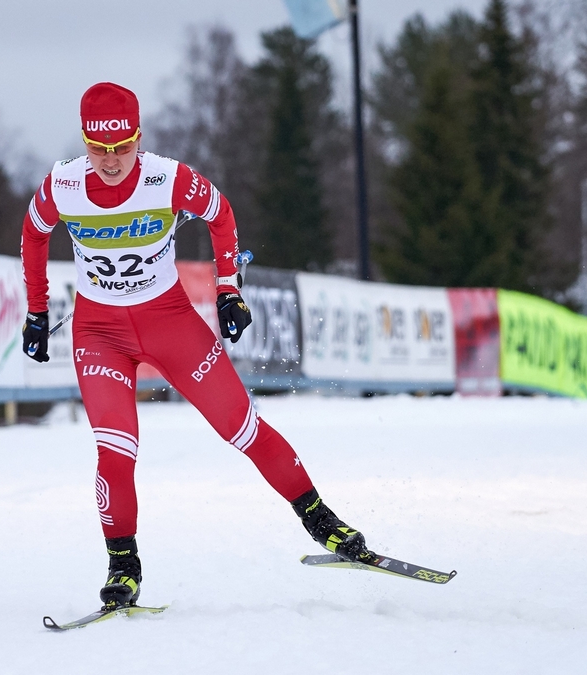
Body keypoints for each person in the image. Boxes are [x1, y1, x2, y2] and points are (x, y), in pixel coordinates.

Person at [20, 82, 371, 609]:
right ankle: (123, 566)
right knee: (116, 451)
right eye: (99, 148)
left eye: (122, 147)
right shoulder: (62, 185)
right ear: (85, 141)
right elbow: (33, 235)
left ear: (139, 138)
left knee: (243, 428)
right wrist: (37, 310)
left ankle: (324, 523)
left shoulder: (168, 178)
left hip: (170, 322)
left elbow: (222, 215)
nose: (111, 160)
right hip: (100, 335)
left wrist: (229, 290)